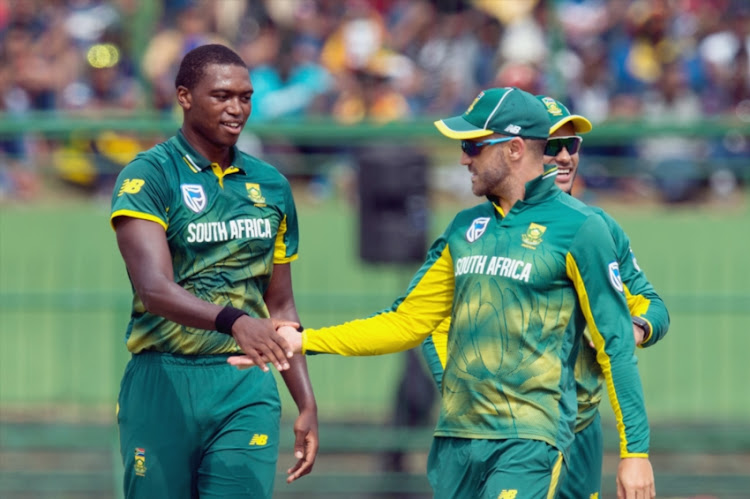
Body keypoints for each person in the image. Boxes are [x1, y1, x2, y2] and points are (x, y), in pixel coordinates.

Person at [230, 86, 656, 498]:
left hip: (529, 440)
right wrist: (304, 341)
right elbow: (407, 322)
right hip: (457, 440)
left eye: (473, 145)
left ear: (513, 149)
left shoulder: (583, 229)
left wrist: (634, 452)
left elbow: (615, 345)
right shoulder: (464, 230)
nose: (462, 157)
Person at [421, 95, 671, 499]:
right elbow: (429, 321)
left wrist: (638, 328)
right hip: (508, 428)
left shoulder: (596, 228)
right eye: (552, 146)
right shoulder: (474, 228)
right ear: (526, 151)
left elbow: (653, 307)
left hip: (580, 428)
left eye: (572, 146)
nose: (564, 157)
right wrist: (470, 392)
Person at [109, 43, 318, 498]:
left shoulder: (272, 186)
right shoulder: (149, 176)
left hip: (244, 385)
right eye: (222, 96)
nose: (236, 108)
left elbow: (280, 304)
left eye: (245, 97)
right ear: (184, 96)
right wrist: (235, 320)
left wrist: (305, 400)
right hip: (163, 379)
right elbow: (153, 288)